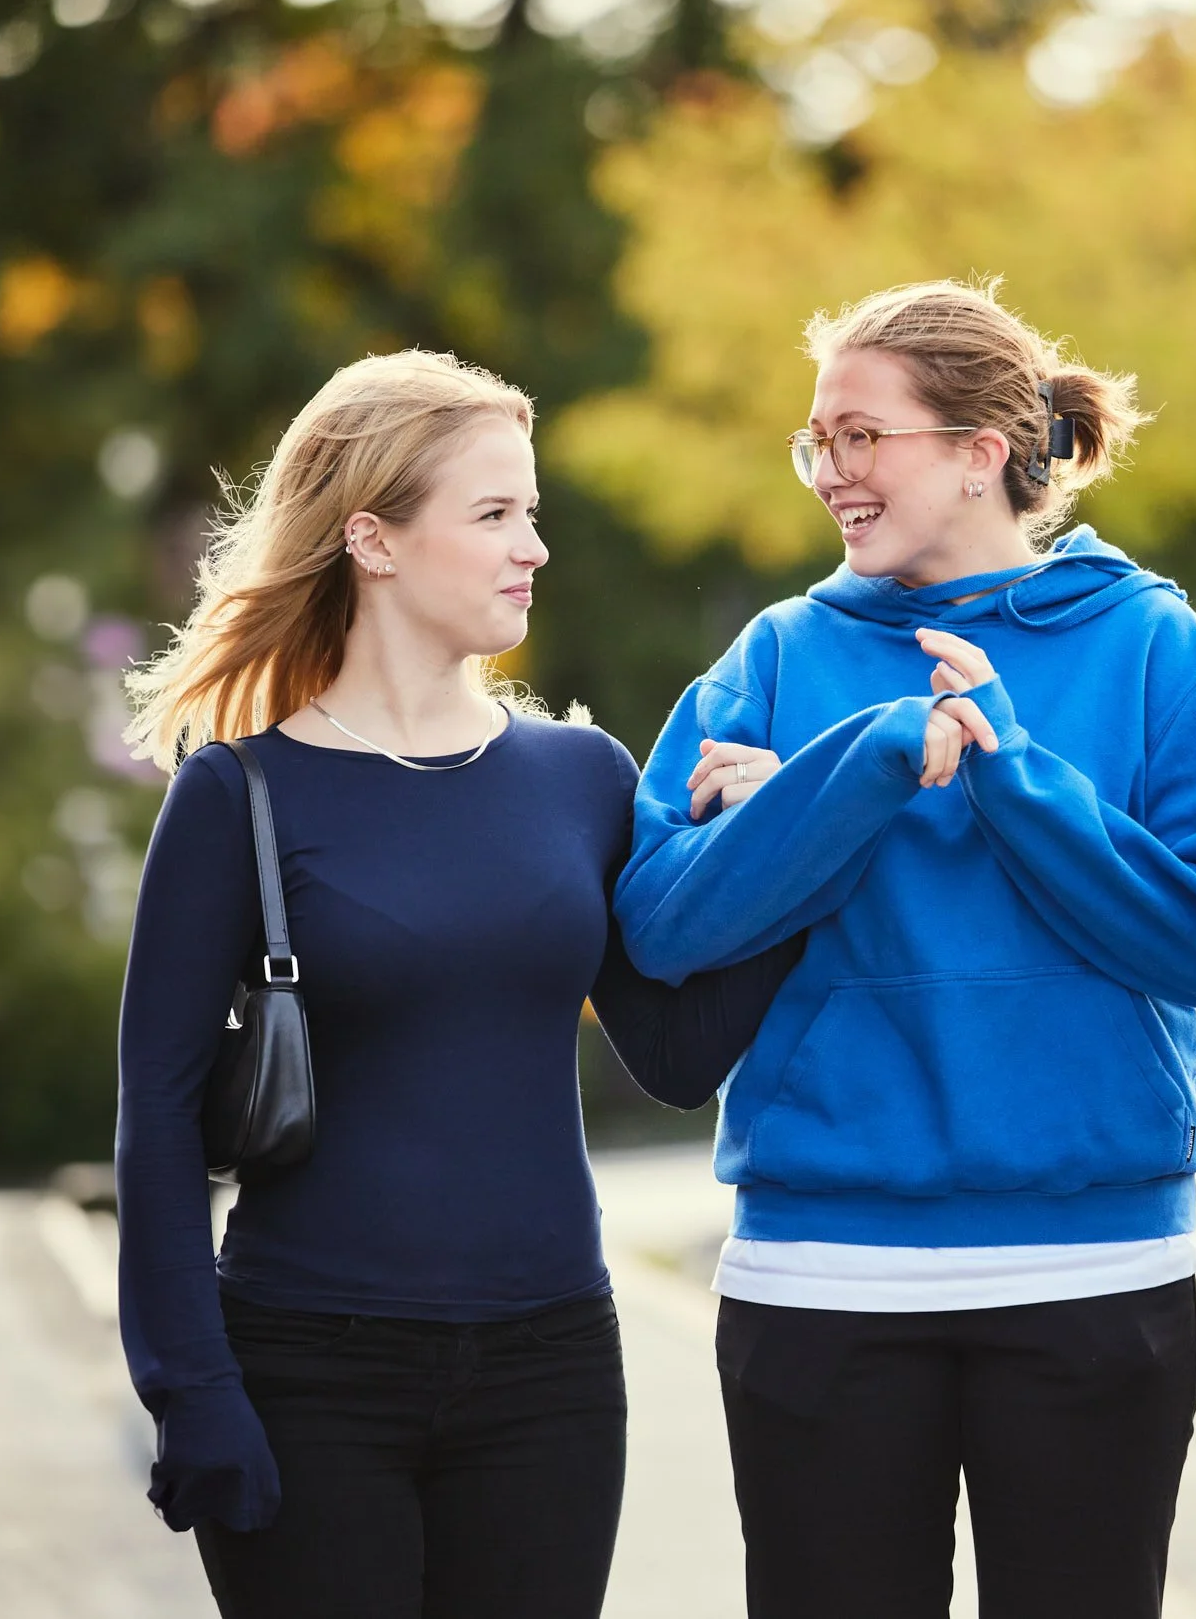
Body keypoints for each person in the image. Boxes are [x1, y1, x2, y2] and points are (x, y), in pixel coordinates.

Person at [613, 280, 1196, 1619]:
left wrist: (1014, 777)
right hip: (822, 1276)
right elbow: (662, 929)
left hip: (1095, 1272)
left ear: (983, 451)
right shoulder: (778, 656)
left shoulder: (1150, 643)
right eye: (817, 442)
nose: (831, 475)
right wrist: (848, 773)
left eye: (863, 436)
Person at [113, 350, 801, 1619]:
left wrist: (783, 858)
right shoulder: (239, 796)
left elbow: (675, 1054)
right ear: (371, 539)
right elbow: (154, 1119)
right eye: (494, 514)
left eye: (531, 512)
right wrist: (190, 1390)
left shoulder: (583, 775)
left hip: (550, 1374)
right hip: (309, 1374)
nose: (532, 545)